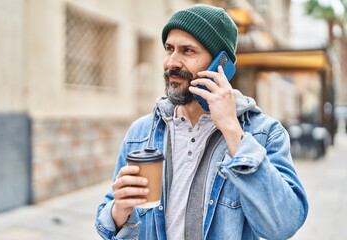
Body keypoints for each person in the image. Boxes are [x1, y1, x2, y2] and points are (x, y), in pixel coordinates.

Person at [95, 4, 308, 240]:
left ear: (220, 64)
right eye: (169, 49)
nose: (171, 62)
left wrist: (231, 129)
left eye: (187, 51)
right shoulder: (141, 132)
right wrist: (118, 212)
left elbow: (283, 226)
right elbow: (110, 222)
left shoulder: (264, 134)